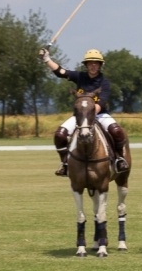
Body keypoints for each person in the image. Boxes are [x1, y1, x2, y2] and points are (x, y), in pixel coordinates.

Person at [38, 47, 129, 176]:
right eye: (90, 63)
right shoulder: (80, 76)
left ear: (100, 65)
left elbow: (101, 102)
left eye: (96, 63)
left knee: (117, 131)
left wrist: (91, 113)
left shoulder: (105, 82)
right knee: (60, 134)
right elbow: (60, 72)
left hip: (99, 114)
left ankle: (119, 159)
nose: (93, 65)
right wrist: (47, 59)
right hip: (80, 115)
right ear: (86, 65)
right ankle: (65, 163)